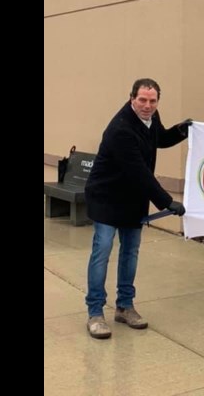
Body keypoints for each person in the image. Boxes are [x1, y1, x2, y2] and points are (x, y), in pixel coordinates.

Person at [83, 78, 191, 339]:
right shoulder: (121, 129)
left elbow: (160, 138)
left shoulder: (151, 117)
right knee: (103, 249)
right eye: (142, 100)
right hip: (107, 197)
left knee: (130, 252)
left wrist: (181, 130)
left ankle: (124, 307)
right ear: (132, 98)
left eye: (152, 101)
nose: (147, 105)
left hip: (132, 198)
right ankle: (95, 312)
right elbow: (139, 172)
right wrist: (167, 201)